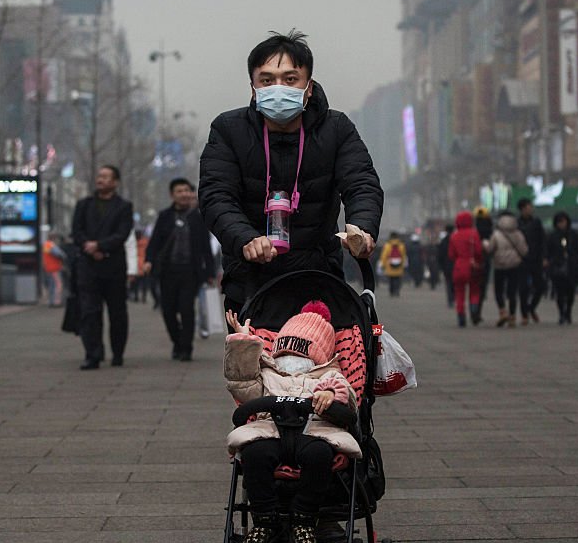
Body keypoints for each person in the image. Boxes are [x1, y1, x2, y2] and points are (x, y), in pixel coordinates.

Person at [198, 29, 382, 317]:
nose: (278, 88)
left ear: (308, 87)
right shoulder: (228, 130)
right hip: (250, 281)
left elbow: (362, 183)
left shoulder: (337, 129)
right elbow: (215, 195)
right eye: (267, 80)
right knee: (253, 361)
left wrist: (362, 228)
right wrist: (246, 238)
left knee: (325, 360)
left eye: (290, 79)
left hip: (319, 279)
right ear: (253, 87)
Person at [224, 300, 360, 543]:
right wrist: (243, 344)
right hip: (270, 431)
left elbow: (347, 394)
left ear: (317, 355)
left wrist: (330, 396)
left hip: (313, 432)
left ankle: (304, 517)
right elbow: (241, 385)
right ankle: (265, 519)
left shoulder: (328, 375)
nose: (290, 357)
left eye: (299, 352)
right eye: (285, 351)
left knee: (319, 455)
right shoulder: (267, 373)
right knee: (254, 454)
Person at [144, 178, 216, 362]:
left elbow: (205, 247)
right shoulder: (164, 216)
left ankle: (186, 348)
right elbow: (155, 242)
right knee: (168, 310)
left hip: (190, 271)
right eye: (179, 191)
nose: (184, 194)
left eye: (186, 190)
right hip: (167, 271)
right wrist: (148, 260)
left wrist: (210, 272)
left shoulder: (198, 217)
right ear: (172, 195)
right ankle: (177, 341)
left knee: (186, 309)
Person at [71, 164, 134, 370]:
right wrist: (89, 247)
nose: (101, 180)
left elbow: (122, 233)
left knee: (117, 313)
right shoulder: (84, 205)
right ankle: (93, 354)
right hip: (88, 267)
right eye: (99, 176)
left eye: (106, 177)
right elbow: (77, 231)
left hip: (113, 267)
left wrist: (100, 246)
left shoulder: (123, 206)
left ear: (115, 182)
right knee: (90, 312)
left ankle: (118, 353)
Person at [485, 210, 527, 328]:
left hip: (499, 265)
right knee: (512, 292)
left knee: (499, 290)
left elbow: (490, 249)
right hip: (514, 265)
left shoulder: (496, 234)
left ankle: (503, 312)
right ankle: (513, 316)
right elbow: (524, 250)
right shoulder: (518, 234)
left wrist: (486, 245)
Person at [447, 211, 484, 327]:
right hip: (472, 266)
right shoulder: (474, 234)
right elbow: (478, 251)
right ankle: (473, 309)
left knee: (459, 293)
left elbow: (451, 255)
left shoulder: (454, 236)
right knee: (474, 290)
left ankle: (461, 316)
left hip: (459, 267)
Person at [546, 211, 578, 325]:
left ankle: (568, 312)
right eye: (559, 222)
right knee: (560, 293)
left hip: (571, 267)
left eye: (564, 221)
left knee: (570, 292)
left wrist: (574, 259)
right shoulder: (552, 236)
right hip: (557, 267)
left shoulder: (574, 235)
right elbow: (548, 251)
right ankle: (561, 313)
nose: (562, 224)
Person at [516, 198, 546, 325]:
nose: (531, 209)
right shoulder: (516, 224)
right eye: (529, 207)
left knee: (540, 286)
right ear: (523, 208)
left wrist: (544, 257)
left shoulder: (536, 222)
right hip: (521, 260)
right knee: (523, 288)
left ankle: (531, 307)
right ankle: (524, 314)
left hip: (536, 259)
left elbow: (543, 240)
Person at [474, 207, 494, 310]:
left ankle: (474, 308)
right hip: (485, 259)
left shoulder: (473, 231)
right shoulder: (490, 229)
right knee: (483, 284)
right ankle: (478, 306)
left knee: (475, 285)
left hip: (474, 261)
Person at [378, 232, 407, 297]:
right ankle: (397, 291)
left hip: (389, 265)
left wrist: (383, 264)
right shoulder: (401, 245)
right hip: (399, 265)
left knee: (391, 279)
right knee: (398, 279)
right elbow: (403, 256)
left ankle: (392, 291)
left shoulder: (387, 245)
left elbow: (384, 256)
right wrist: (403, 264)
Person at [43, 234, 66, 307]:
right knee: (58, 285)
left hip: (48, 268)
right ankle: (57, 302)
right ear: (54, 238)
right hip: (55, 268)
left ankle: (51, 301)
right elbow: (59, 254)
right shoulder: (51, 245)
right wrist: (63, 256)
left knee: (51, 285)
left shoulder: (46, 245)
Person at [437, 225, 455, 307]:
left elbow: (439, 255)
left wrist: (440, 266)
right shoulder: (456, 239)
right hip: (456, 265)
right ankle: (453, 298)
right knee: (454, 283)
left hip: (446, 266)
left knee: (448, 283)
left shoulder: (443, 241)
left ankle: (450, 300)